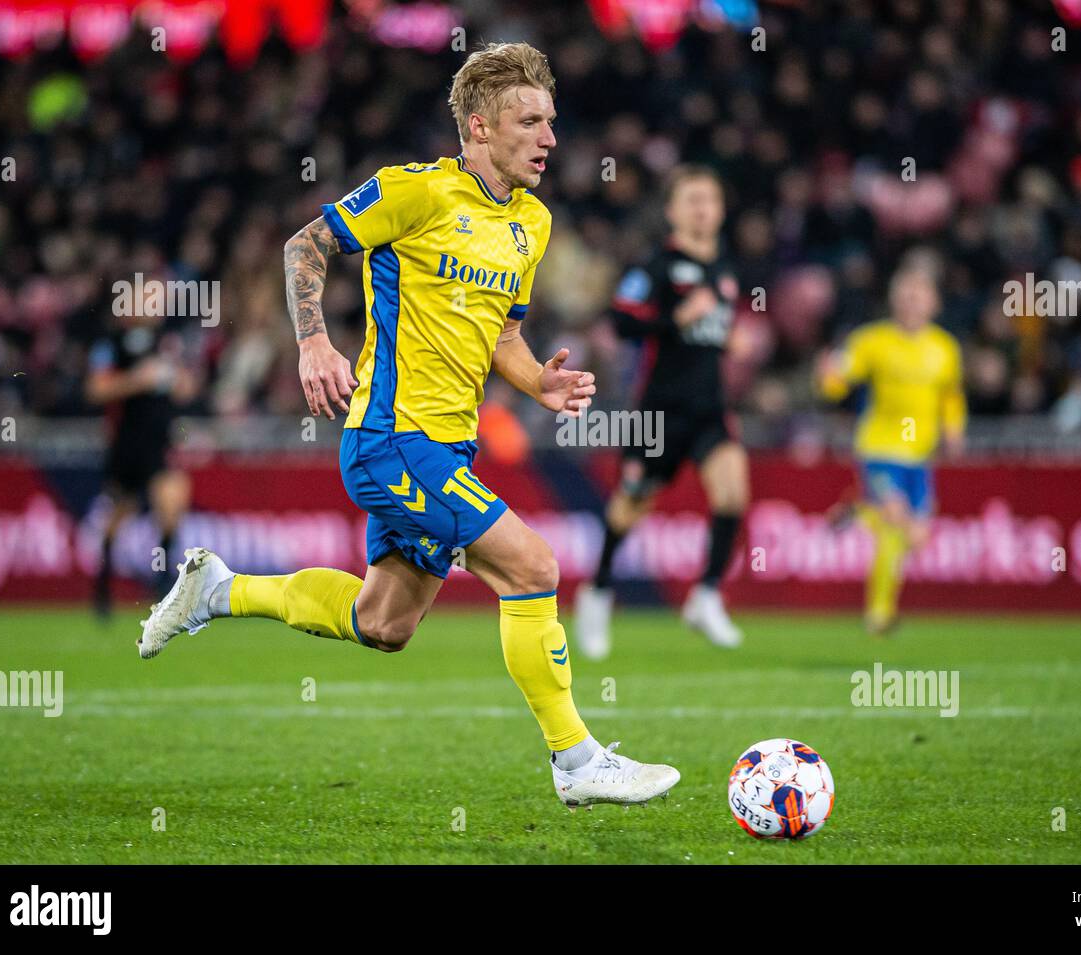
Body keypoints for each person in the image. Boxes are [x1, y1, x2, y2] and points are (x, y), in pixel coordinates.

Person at [138, 42, 679, 808]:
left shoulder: (532, 223)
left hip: (447, 445)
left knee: (383, 622)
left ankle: (219, 591)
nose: (550, 138)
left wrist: (538, 382)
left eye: (552, 121)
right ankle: (576, 760)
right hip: (391, 439)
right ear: (479, 127)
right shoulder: (415, 192)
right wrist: (315, 340)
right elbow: (307, 244)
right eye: (530, 121)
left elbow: (502, 335)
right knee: (534, 568)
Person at [575, 166, 748, 660]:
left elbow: (711, 333)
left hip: (710, 410)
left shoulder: (726, 270)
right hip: (658, 413)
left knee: (734, 493)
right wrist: (675, 318)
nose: (702, 209)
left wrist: (728, 337)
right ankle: (598, 591)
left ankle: (708, 595)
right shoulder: (655, 266)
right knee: (632, 505)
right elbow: (621, 321)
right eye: (692, 199)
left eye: (710, 200)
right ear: (672, 210)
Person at [817, 258, 966, 634]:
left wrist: (953, 430)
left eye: (919, 295)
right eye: (905, 294)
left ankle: (857, 512)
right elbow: (838, 379)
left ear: (934, 303)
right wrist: (828, 378)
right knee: (895, 523)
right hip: (880, 449)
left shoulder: (945, 349)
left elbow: (950, 396)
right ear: (894, 300)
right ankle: (879, 614)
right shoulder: (872, 341)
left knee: (916, 538)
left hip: (919, 455)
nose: (911, 302)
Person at [86, 310, 195, 617]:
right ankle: (103, 585)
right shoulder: (110, 345)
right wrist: (138, 380)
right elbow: (96, 390)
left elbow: (187, 387)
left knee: (172, 506)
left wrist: (178, 379)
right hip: (127, 445)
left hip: (161, 442)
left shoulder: (167, 343)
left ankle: (162, 589)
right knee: (120, 513)